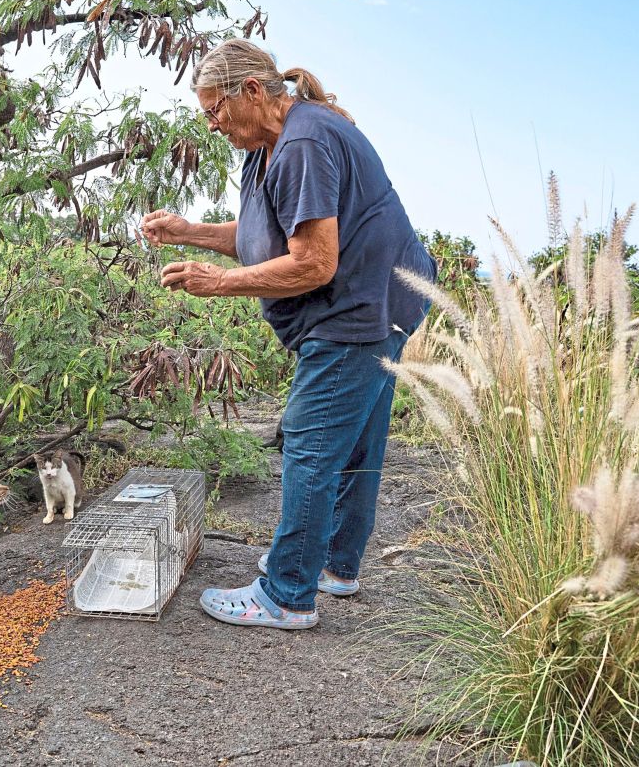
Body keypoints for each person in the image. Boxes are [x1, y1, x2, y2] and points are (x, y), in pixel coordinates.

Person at [141, 39, 436, 630]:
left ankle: (286, 593)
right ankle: (333, 565)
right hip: (383, 301)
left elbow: (314, 262)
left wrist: (217, 284)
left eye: (215, 110)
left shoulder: (303, 142)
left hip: (357, 308)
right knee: (355, 443)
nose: (213, 124)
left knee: (311, 438)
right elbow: (262, 233)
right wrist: (190, 232)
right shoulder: (271, 144)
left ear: (251, 91)